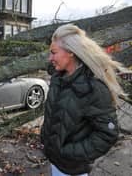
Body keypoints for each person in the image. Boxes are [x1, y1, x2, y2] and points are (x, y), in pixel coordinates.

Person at [40, 24, 126, 176]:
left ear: (71, 52)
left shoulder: (94, 89)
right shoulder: (58, 79)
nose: (50, 58)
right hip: (55, 162)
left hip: (72, 170)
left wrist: (69, 153)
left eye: (54, 53)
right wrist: (45, 137)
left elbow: (107, 135)